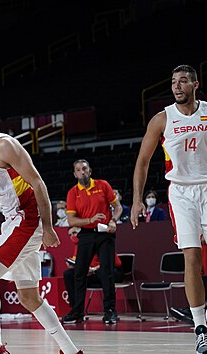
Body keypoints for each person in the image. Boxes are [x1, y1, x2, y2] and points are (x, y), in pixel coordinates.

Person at [0, 96, 82, 354]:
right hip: (13, 222)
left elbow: (38, 183)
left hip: (28, 220)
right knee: (28, 297)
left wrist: (47, 227)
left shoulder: (5, 145)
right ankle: (71, 351)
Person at [131, 64, 207, 352]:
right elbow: (142, 162)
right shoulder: (162, 119)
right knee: (192, 257)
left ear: (195, 85)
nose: (177, 86)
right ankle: (201, 327)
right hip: (182, 193)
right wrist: (138, 199)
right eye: (174, 81)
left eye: (183, 81)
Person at [61, 159, 123, 325]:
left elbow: (118, 207)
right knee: (79, 273)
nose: (82, 172)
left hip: (105, 233)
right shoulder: (73, 192)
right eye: (79, 170)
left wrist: (113, 221)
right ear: (75, 174)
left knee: (107, 272)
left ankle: (110, 311)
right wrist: (90, 219)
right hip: (87, 235)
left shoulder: (103, 185)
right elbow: (72, 220)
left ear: (90, 170)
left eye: (85, 168)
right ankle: (77, 311)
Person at [63, 228, 124, 312]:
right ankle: (75, 308)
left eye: (74, 233)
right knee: (69, 274)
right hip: (93, 274)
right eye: (70, 235)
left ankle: (109, 310)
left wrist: (93, 269)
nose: (73, 236)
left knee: (103, 272)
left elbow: (110, 262)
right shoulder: (78, 247)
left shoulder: (98, 242)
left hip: (112, 271)